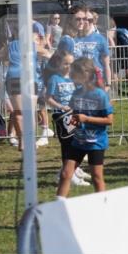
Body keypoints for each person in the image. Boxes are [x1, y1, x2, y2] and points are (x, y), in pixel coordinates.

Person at [56, 57, 113, 197]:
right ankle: (59, 206)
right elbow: (76, 114)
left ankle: (103, 206)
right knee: (65, 174)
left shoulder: (100, 95)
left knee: (97, 177)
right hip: (78, 141)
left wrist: (86, 119)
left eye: (73, 74)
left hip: (96, 143)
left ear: (85, 75)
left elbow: (109, 120)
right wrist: (72, 121)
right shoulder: (76, 94)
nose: (71, 77)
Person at [43, 49, 89, 187]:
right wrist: (61, 107)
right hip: (61, 115)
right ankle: (69, 175)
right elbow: (48, 98)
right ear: (58, 64)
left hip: (74, 114)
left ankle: (66, 171)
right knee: (69, 145)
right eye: (65, 64)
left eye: (70, 63)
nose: (68, 67)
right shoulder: (54, 79)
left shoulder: (74, 78)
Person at [63, 5, 111, 92]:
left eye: (90, 20)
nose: (87, 22)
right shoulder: (70, 38)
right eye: (85, 19)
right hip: (75, 85)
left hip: (95, 84)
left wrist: (108, 84)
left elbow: (106, 64)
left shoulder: (100, 39)